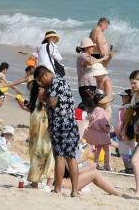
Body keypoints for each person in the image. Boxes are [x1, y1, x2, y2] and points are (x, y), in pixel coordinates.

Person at [34, 65, 79, 196]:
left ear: (45, 75)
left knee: (60, 157)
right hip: (70, 124)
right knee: (70, 157)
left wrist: (42, 96)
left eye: (40, 80)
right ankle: (73, 190)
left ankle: (58, 188)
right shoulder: (60, 81)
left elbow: (52, 102)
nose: (41, 83)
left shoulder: (55, 82)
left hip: (61, 125)